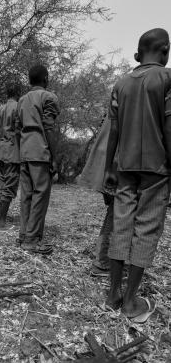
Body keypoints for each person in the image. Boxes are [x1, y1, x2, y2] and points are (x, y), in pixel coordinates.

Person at [104, 28, 171, 323]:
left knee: (121, 226)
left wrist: (109, 167)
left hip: (125, 166)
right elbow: (169, 128)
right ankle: (131, 301)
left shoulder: (120, 83)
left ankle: (112, 295)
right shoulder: (167, 78)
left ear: (139, 52)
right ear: (165, 49)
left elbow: (114, 130)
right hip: (157, 168)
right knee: (146, 229)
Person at [16, 65, 59, 254]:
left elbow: (17, 128)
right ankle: (32, 239)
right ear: (46, 78)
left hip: (24, 152)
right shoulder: (48, 97)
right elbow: (49, 128)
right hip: (40, 152)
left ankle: (24, 235)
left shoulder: (22, 100)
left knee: (26, 196)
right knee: (40, 196)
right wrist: (54, 156)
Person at [79, 115, 115, 277]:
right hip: (116, 161)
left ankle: (104, 259)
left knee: (115, 211)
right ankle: (102, 261)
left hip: (107, 158)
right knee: (118, 212)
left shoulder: (121, 92)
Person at [0, 82, 22, 230]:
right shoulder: (18, 106)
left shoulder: (0, 108)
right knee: (9, 186)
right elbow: (18, 129)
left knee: (4, 184)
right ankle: (1, 223)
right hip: (13, 151)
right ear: (18, 92)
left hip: (2, 151)